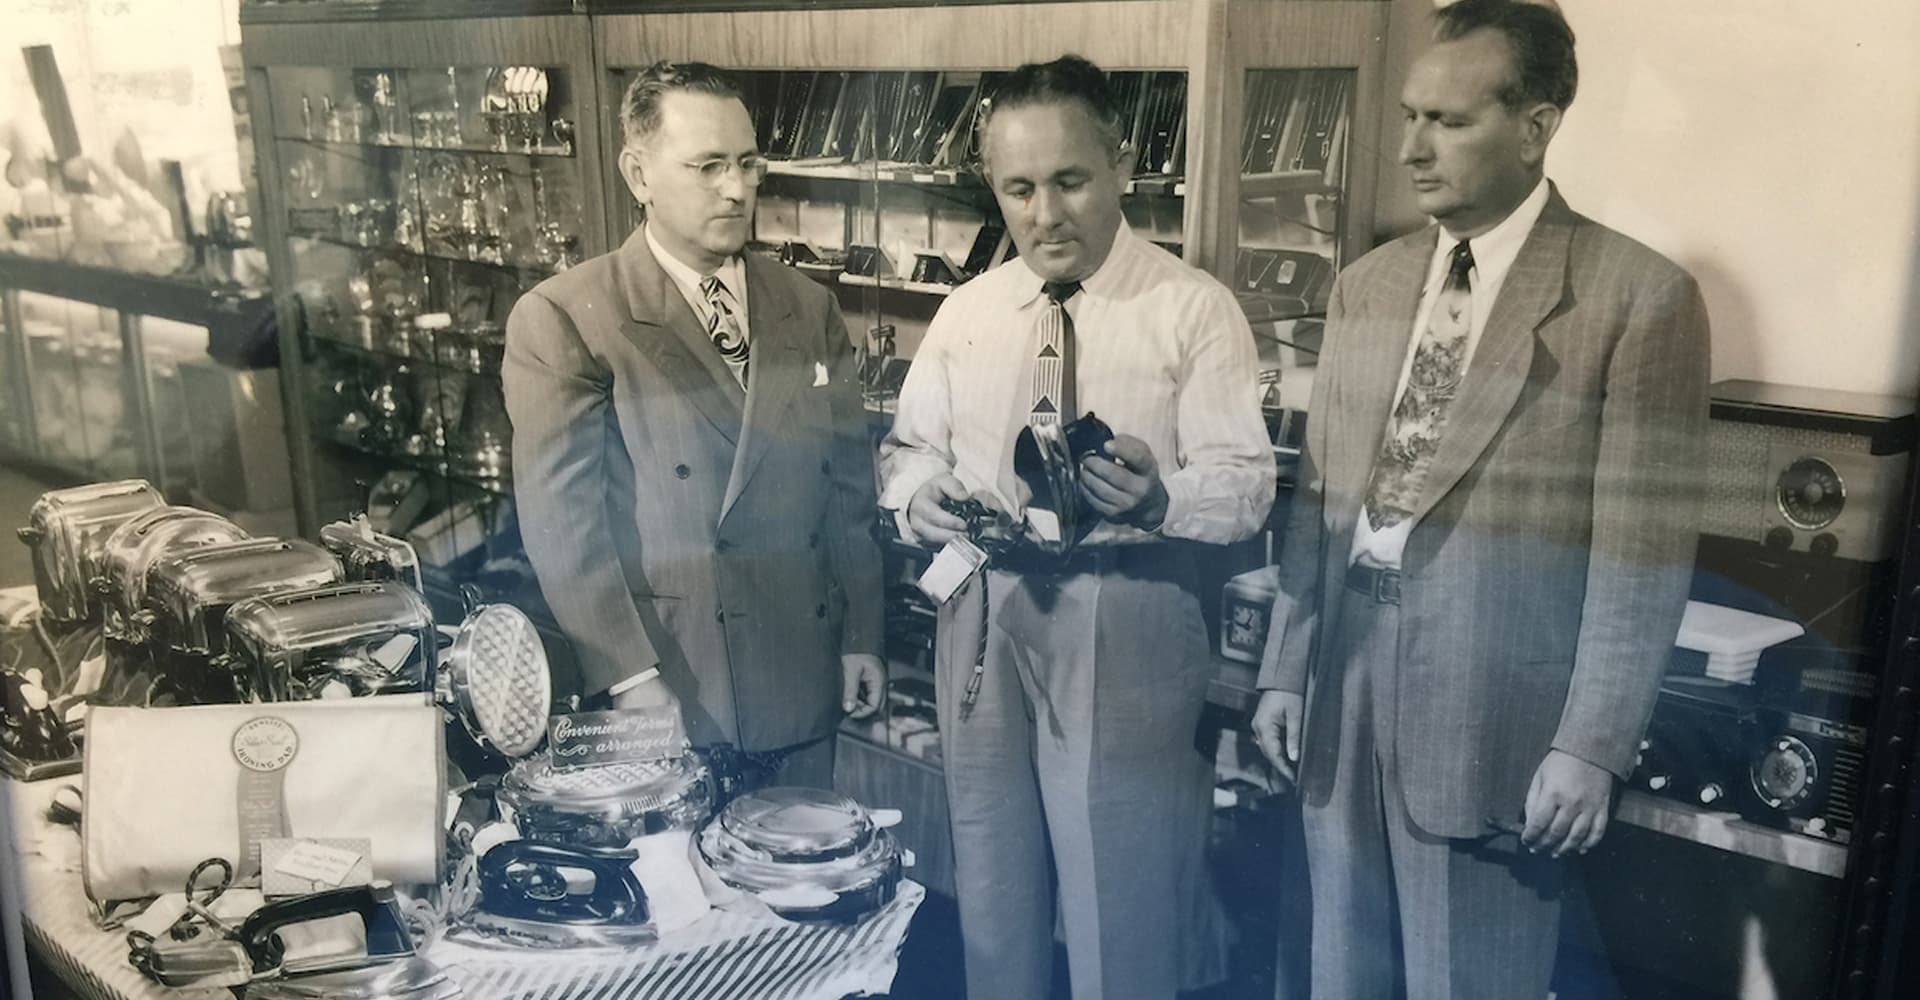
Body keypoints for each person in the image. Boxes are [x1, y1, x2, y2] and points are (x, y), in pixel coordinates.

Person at [1250, 2, 1712, 997]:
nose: (1412, 148)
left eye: (1449, 122)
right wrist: (1286, 668)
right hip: (1342, 690)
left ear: (1537, 126)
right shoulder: (1366, 288)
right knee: (1339, 976)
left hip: (1497, 716)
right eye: (1411, 116)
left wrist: (1592, 745)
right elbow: (1319, 501)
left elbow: (1642, 555)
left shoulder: (1635, 297)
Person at [879, 55, 1274, 1000]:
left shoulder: (1191, 310)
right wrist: (917, 495)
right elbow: (903, 450)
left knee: (1120, 892)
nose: (1045, 215)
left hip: (1127, 605)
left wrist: (1160, 499)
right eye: (1019, 188)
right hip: (979, 602)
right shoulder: (968, 312)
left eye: (1069, 181)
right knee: (991, 875)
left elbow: (1248, 485)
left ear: (1123, 165)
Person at [502, 61, 886, 787]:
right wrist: (628, 678)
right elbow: (566, 530)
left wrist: (863, 636)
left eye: (747, 163)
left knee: (799, 886)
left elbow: (847, 492)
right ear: (638, 174)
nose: (738, 189)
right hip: (670, 683)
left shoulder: (806, 307)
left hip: (801, 676)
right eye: (707, 166)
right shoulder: (567, 318)